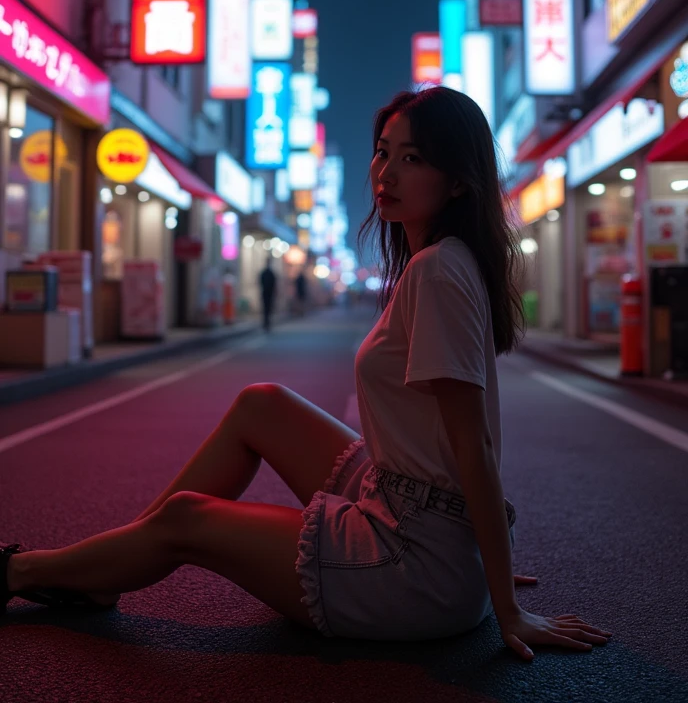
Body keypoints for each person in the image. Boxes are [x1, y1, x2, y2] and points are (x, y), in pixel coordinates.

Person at [0, 88, 613, 660]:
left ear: (457, 181)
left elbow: (474, 444)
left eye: (413, 158)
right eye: (383, 153)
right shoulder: (437, 262)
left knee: (188, 517)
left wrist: (500, 598)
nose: (386, 173)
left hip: (416, 566)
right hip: (416, 515)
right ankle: (113, 564)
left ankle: (22, 572)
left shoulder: (438, 272)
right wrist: (480, 557)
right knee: (261, 403)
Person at [259, 256, 277, 331]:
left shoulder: (269, 273)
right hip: (267, 293)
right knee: (266, 308)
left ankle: (267, 322)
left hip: (268, 293)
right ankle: (266, 322)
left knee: (267, 308)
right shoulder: (267, 273)